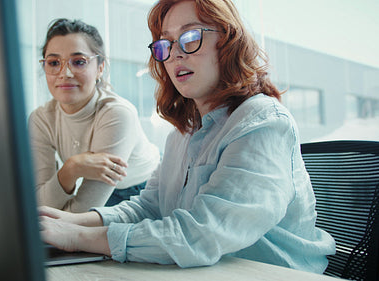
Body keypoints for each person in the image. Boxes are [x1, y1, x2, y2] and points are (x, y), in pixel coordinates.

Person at [37, 0, 336, 273]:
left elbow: (201, 234)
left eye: (191, 38)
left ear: (228, 42)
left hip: (275, 273)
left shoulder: (262, 121)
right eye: (165, 43)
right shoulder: (184, 131)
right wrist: (66, 221)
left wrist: (76, 236)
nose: (175, 53)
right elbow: (149, 208)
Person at [29, 18, 160, 213]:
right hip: (99, 192)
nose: (65, 73)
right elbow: (40, 203)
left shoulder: (117, 114)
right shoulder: (41, 118)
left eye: (79, 62)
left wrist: (69, 175)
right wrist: (70, 169)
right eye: (54, 62)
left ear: (100, 68)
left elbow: (80, 214)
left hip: (142, 190)